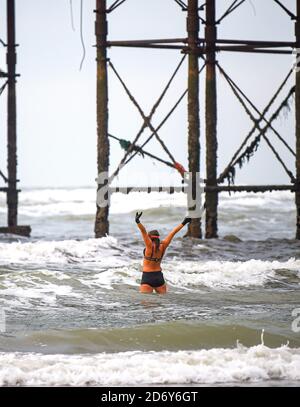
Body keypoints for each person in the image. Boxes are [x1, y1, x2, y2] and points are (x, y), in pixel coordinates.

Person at [135, 212, 191, 294]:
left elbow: (143, 231)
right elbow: (173, 232)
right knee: (161, 305)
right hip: (159, 277)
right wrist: (184, 222)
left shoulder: (149, 246)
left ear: (149, 237)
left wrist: (138, 221)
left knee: (147, 305)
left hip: (147, 277)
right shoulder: (163, 245)